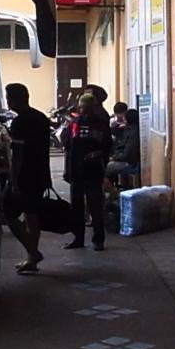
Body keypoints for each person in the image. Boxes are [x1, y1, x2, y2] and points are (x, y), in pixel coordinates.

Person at [4, 83, 51, 273]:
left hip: (25, 175)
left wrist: (14, 180)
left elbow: (18, 154)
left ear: (13, 100)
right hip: (41, 172)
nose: (7, 101)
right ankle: (31, 259)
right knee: (32, 215)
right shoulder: (41, 117)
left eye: (8, 97)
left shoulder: (19, 122)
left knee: (8, 214)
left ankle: (33, 252)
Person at [63, 92, 111, 250]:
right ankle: (85, 239)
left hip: (88, 170)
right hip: (83, 170)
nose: (84, 111)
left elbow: (106, 147)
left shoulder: (97, 124)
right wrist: (68, 170)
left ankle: (92, 239)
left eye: (86, 108)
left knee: (91, 206)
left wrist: (98, 155)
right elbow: (68, 147)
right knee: (82, 206)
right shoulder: (77, 123)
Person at [105, 106, 140, 187]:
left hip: (130, 162)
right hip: (126, 159)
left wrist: (114, 157)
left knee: (107, 167)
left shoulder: (132, 133)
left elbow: (127, 154)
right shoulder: (131, 129)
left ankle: (112, 190)